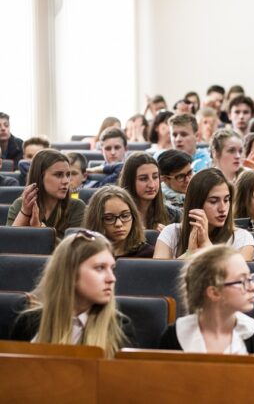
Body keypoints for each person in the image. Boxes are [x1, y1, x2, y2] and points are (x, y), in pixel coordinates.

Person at [10, 230, 137, 358]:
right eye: (100, 268)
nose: (112, 278)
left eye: (112, 268)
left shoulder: (120, 328)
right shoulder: (29, 324)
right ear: (70, 273)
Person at [158, 245, 254, 363]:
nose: (253, 287)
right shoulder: (173, 336)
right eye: (242, 281)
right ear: (214, 293)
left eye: (250, 278)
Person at [153, 168, 254, 260]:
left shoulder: (243, 238)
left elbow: (236, 273)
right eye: (213, 201)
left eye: (226, 200)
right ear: (196, 204)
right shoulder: (171, 233)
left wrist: (207, 246)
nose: (222, 208)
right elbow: (159, 274)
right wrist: (190, 254)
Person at [7, 149, 85, 238]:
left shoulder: (76, 206)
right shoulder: (20, 204)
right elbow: (8, 242)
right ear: (40, 177)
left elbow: (75, 245)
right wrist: (25, 213)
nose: (66, 181)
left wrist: (41, 230)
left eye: (68, 175)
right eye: (58, 175)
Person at [83, 186, 154, 258]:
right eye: (109, 218)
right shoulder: (85, 255)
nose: (119, 224)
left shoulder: (148, 254)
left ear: (133, 217)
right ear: (96, 220)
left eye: (125, 216)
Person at [118, 152, 179, 231]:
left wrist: (169, 236)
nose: (151, 185)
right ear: (130, 181)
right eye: (143, 179)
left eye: (155, 177)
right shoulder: (116, 215)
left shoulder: (173, 216)